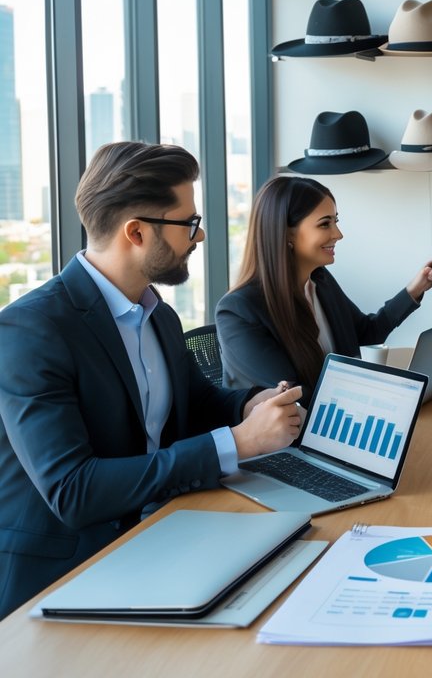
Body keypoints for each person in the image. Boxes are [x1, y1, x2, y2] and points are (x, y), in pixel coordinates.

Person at [0, 142, 304, 618]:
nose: (198, 238)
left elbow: (197, 401)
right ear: (136, 232)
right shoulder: (31, 330)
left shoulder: (157, 315)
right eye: (189, 224)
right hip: (59, 581)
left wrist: (250, 405)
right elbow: (72, 491)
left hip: (156, 538)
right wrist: (239, 442)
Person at [216, 176, 432, 402]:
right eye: (325, 224)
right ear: (287, 233)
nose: (338, 234)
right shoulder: (238, 311)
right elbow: (294, 395)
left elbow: (367, 334)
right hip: (292, 436)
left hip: (341, 414)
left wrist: (417, 288)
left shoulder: (319, 281)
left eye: (336, 221)